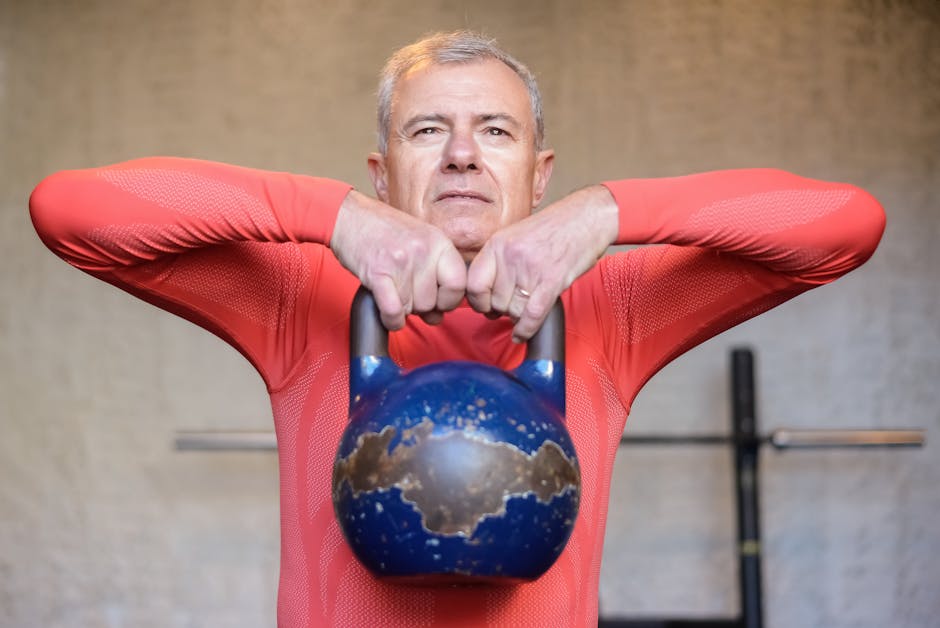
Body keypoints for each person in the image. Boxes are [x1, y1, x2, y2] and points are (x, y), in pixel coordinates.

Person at [29, 30, 885, 628]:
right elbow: (70, 212)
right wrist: (332, 217)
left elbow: (844, 225)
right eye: (428, 130)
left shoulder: (614, 306)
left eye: (497, 132)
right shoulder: (300, 295)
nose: (464, 156)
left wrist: (611, 211)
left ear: (539, 175)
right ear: (383, 172)